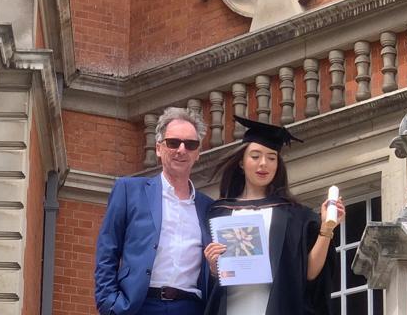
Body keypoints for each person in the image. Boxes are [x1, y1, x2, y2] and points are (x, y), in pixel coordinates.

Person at [203, 116, 345, 315]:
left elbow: (309, 274)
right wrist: (211, 265)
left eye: (271, 158)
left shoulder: (293, 215)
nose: (264, 164)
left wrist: (326, 229)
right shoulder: (219, 213)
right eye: (255, 156)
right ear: (242, 163)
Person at [95, 107, 214, 315]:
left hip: (190, 307)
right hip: (139, 305)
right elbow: (108, 250)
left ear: (198, 154)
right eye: (173, 142)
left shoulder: (208, 208)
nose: (181, 150)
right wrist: (110, 304)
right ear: (159, 148)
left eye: (191, 144)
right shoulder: (129, 191)